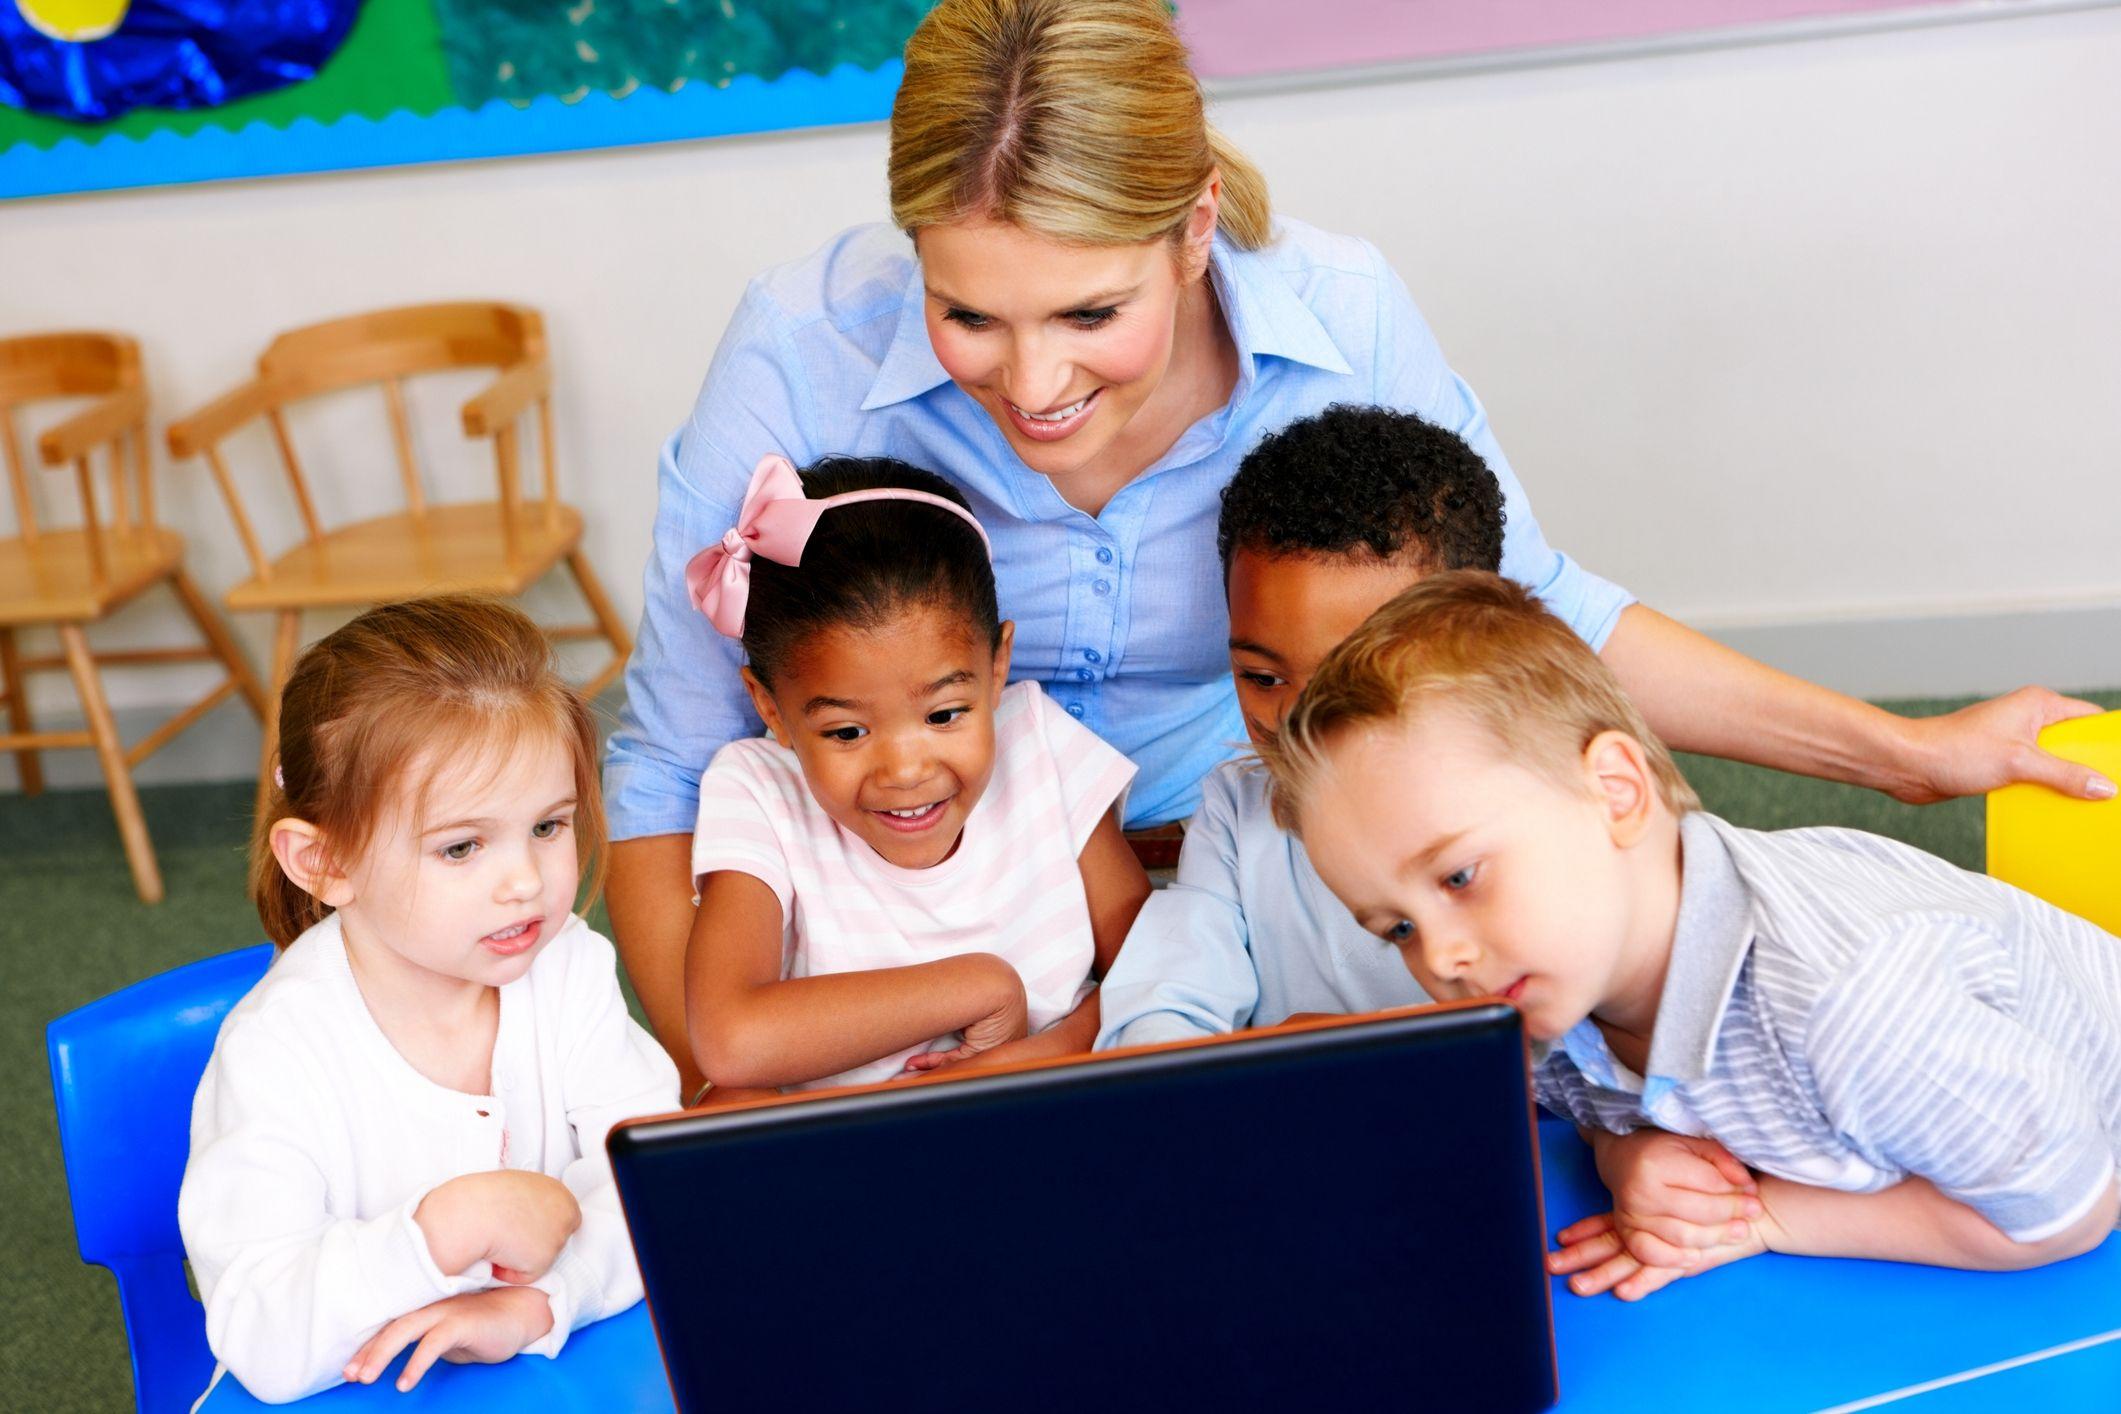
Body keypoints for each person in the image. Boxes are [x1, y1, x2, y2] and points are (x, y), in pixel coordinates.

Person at [605, 0, 2108, 1094]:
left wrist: (1904, 754)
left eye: (1087, 317)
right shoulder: (796, 347)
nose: (1034, 383)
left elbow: (1533, 608)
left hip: (1256, 846)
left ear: (1195, 226)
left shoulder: (1338, 314)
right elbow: (675, 752)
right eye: (969, 316)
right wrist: (704, 1084)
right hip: (907, 883)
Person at [1261, 572, 2121, 1298]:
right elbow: (1579, 1098)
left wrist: (1761, 1217)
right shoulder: (1546, 979)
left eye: (1458, 877)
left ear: (1616, 793)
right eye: (1398, 926)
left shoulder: (1853, 1000)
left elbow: (2065, 1211)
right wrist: (1625, 1151)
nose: (1440, 957)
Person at [178, 597, 678, 1404]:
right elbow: (261, 1332)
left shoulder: (567, 968)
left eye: (548, 827)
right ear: (324, 862)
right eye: (462, 846)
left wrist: (543, 1301)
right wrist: (439, 1235)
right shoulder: (276, 1049)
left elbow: (660, 1184)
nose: (525, 882)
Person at [685, 455, 1147, 1094]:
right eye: (847, 732)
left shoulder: (1039, 744)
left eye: (945, 714)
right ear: (772, 709)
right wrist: (978, 987)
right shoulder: (758, 789)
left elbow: (1158, 965)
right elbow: (731, 1042)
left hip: (1057, 1110)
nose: (905, 770)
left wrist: (1049, 1052)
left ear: (995, 668)